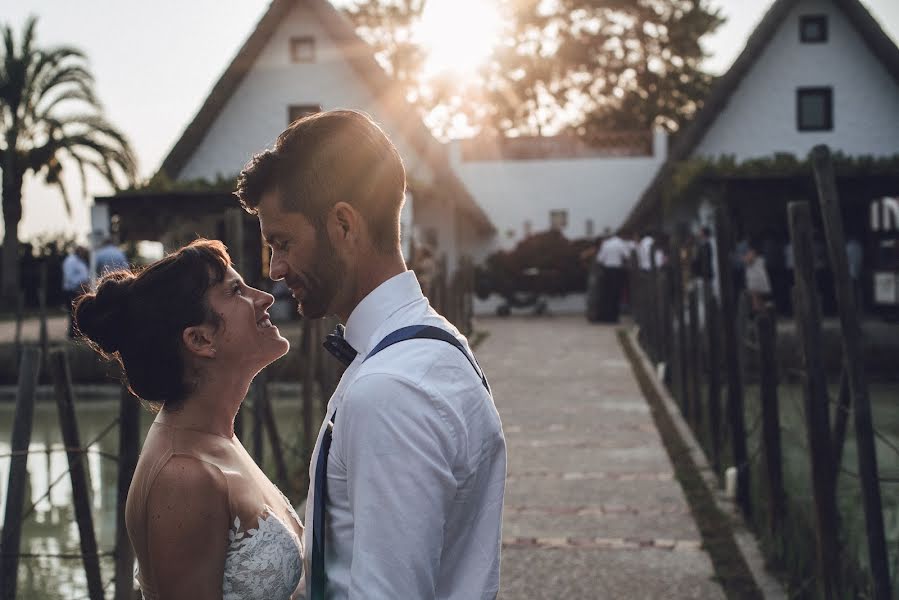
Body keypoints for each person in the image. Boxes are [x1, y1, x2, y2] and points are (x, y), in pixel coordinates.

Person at [235, 109, 506, 600]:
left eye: (283, 242)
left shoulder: (391, 390)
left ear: (343, 224)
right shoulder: (433, 344)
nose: (275, 269)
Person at [74, 239, 303, 600]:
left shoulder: (215, 437)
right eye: (236, 291)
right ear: (199, 339)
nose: (265, 297)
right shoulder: (184, 476)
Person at [595, 230, 631, 322]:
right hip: (617, 271)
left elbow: (599, 259)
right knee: (616, 295)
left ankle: (606, 317)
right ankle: (614, 317)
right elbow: (627, 256)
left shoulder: (606, 244)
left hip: (607, 271)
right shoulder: (621, 243)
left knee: (607, 295)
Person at [61, 245, 89, 338]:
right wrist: (80, 284)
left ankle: (76, 332)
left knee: (77, 311)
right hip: (72, 290)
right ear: (78, 251)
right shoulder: (71, 261)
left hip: (78, 289)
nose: (84, 254)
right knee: (73, 312)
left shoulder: (79, 261)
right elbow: (69, 277)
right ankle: (72, 333)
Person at [743, 242, 772, 314]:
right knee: (760, 299)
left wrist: (743, 258)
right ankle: (763, 314)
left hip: (755, 279)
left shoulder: (752, 254)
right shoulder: (761, 258)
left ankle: (759, 315)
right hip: (759, 278)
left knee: (755, 299)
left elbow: (748, 261)